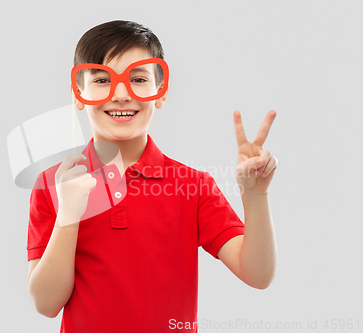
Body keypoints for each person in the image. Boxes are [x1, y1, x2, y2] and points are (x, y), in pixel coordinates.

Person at [26, 20, 278, 333]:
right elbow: (45, 304)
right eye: (103, 79)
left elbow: (258, 275)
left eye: (138, 79)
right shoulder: (54, 184)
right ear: (79, 92)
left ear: (160, 92)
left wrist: (255, 196)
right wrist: (69, 214)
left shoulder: (193, 186)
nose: (120, 94)